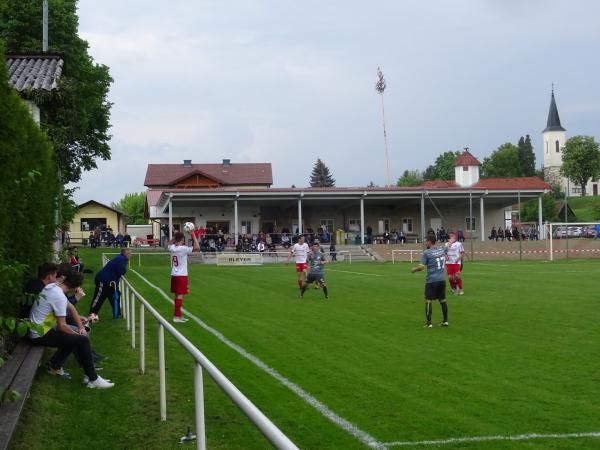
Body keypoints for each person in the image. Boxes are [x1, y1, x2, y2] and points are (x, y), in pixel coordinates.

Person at [29, 270, 114, 389]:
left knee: (75, 338)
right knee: (81, 340)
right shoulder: (59, 296)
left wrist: (80, 328)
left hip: (40, 329)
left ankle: (56, 366)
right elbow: (62, 326)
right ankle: (93, 378)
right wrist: (79, 335)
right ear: (76, 287)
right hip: (39, 334)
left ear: (64, 279)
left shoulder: (53, 287)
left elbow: (72, 308)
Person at [411, 235, 449, 327]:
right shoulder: (441, 249)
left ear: (430, 241)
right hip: (442, 279)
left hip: (432, 280)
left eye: (426, 241)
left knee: (428, 301)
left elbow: (421, 267)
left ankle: (429, 323)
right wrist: (451, 241)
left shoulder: (427, 253)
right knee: (443, 300)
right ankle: (445, 321)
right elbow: (447, 248)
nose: (425, 243)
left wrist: (414, 269)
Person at [89, 248, 132, 321]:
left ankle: (117, 314)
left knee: (115, 296)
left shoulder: (120, 258)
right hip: (103, 280)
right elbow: (121, 271)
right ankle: (92, 316)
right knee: (99, 298)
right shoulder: (121, 259)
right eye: (130, 253)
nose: (131, 255)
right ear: (126, 254)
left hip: (111, 283)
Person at [168, 231, 200, 323]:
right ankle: (177, 317)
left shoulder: (172, 247)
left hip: (174, 274)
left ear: (175, 239)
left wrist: (174, 237)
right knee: (180, 296)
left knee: (177, 295)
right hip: (181, 275)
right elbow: (197, 248)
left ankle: (177, 315)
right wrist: (193, 235)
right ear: (182, 239)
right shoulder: (183, 248)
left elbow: (169, 244)